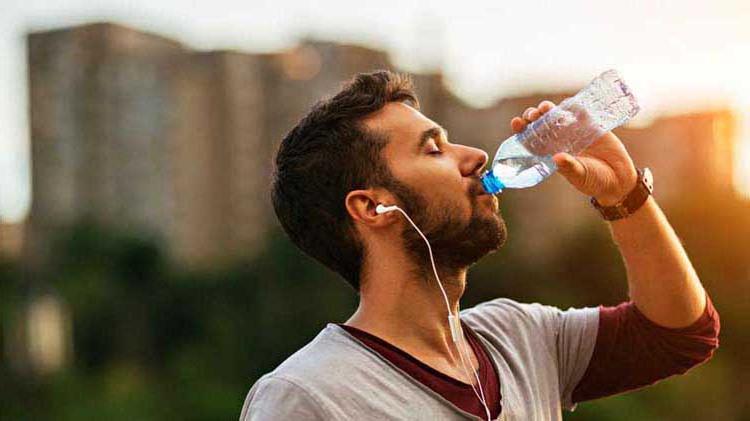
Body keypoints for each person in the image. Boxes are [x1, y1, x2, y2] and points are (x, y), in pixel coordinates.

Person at [239, 70, 720, 420]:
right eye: (434, 149)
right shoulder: (306, 396)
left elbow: (678, 333)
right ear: (371, 207)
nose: (474, 156)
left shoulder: (518, 336)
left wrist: (625, 196)